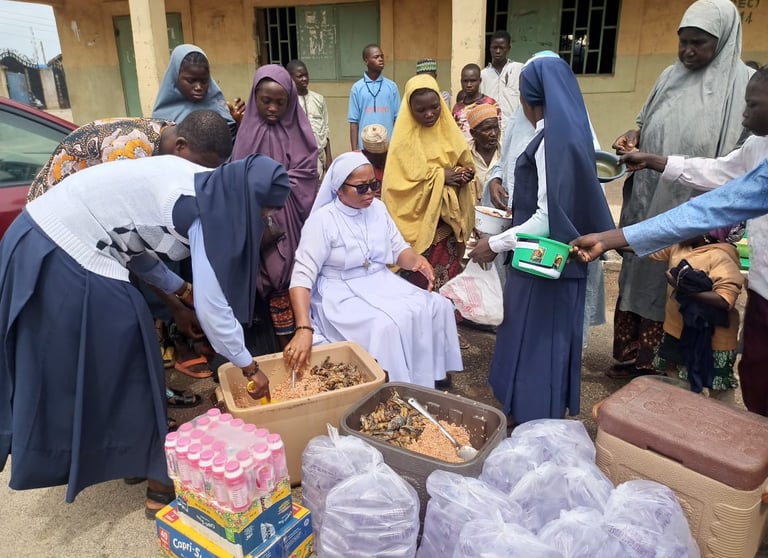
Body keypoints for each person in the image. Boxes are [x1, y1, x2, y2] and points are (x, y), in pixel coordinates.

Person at [0, 139, 290, 517]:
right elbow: (214, 309)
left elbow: (133, 243)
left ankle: (127, 454)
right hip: (64, 248)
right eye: (264, 210)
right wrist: (248, 366)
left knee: (107, 361)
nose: (264, 219)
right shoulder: (207, 211)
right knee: (132, 354)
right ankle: (157, 481)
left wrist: (179, 289)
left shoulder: (209, 183)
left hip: (34, 236)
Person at [24, 110, 231, 409]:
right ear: (181, 146)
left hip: (97, 241)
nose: (197, 180)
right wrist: (178, 302)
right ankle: (131, 409)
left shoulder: (166, 142)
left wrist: (181, 299)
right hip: (62, 243)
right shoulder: (128, 157)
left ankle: (146, 403)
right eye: (200, 169)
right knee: (113, 331)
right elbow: (133, 252)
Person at [594, 66, 768, 414]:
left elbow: (712, 207)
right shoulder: (757, 145)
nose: (745, 116)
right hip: (764, 287)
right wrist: (658, 161)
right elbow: (720, 172)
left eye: (753, 105)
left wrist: (615, 236)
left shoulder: (720, 255)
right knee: (757, 375)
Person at [609, 0, 753, 380]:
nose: (688, 51)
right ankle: (629, 358)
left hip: (695, 203)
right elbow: (645, 120)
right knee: (640, 266)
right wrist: (632, 135)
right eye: (683, 42)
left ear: (721, 41)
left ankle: (659, 367)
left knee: (674, 278)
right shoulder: (669, 76)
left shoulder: (741, 87)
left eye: (698, 43)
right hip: (648, 193)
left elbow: (735, 166)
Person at [469, 56, 614, 424]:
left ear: (533, 100)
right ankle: (540, 417)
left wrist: (496, 243)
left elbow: (548, 217)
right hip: (563, 264)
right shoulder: (575, 132)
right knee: (549, 347)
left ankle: (534, 423)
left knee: (535, 349)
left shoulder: (551, 141)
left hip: (543, 263)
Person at [283, 152, 462, 388]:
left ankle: (430, 373)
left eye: (374, 184)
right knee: (385, 325)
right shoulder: (322, 221)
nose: (370, 192)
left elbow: (399, 250)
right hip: (340, 291)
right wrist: (303, 327)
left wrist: (417, 261)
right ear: (339, 188)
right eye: (361, 187)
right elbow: (300, 279)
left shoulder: (377, 209)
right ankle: (392, 385)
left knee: (438, 305)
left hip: (380, 280)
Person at [231, 64, 318, 348]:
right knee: (260, 277)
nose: (272, 108)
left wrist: (274, 185)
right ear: (254, 98)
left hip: (288, 217)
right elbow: (235, 175)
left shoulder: (299, 130)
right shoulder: (246, 132)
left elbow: (307, 173)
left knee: (287, 275)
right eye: (265, 101)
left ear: (290, 101)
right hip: (256, 218)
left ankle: (293, 341)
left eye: (280, 102)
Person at [382, 74, 475, 292]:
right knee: (418, 281)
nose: (429, 114)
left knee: (447, 279)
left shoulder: (449, 130)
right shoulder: (402, 142)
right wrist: (441, 176)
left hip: (446, 225)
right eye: (421, 110)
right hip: (416, 223)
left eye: (434, 107)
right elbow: (398, 187)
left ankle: (443, 317)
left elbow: (466, 163)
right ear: (409, 108)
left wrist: (464, 175)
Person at [648, 227, 744, 400]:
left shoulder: (721, 256)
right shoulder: (681, 246)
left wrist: (682, 286)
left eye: (691, 225)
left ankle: (719, 423)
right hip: (676, 330)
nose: (681, 229)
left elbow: (725, 299)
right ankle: (684, 418)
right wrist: (607, 242)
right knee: (677, 382)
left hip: (712, 341)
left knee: (717, 391)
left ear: (708, 234)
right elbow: (648, 247)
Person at [152, 44, 243, 137]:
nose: (199, 87)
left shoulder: (220, 109)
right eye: (191, 80)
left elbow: (234, 146)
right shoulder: (161, 118)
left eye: (204, 81)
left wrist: (240, 124)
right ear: (176, 77)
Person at [348, 44, 401, 151]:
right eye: (376, 57)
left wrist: (397, 147)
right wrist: (354, 150)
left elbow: (398, 119)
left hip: (388, 147)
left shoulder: (392, 87)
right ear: (366, 61)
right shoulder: (357, 88)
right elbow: (354, 122)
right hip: (365, 148)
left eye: (382, 56)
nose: (381, 59)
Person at [287, 59, 332, 181]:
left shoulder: (319, 99)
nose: (304, 79)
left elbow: (325, 129)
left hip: (319, 157)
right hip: (298, 159)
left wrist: (328, 157)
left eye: (306, 75)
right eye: (300, 76)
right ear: (290, 78)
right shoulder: (288, 102)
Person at [480, 30, 524, 129]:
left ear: (508, 48)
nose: (498, 51)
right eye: (495, 47)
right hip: (490, 129)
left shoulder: (518, 70)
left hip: (514, 127)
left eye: (502, 48)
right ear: (490, 48)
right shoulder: (483, 75)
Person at [452, 63, 501, 142]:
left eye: (473, 81)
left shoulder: (490, 104)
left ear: (480, 81)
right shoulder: (457, 108)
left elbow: (497, 130)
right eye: (465, 81)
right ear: (461, 82)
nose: (469, 85)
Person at [467, 103, 501, 202]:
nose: (493, 134)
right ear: (473, 133)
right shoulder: (464, 156)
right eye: (487, 129)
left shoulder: (506, 154)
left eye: (495, 127)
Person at [360, 123, 388, 192]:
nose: (381, 161)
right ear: (365, 153)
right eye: (377, 157)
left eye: (383, 155)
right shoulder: (358, 164)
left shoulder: (394, 160)